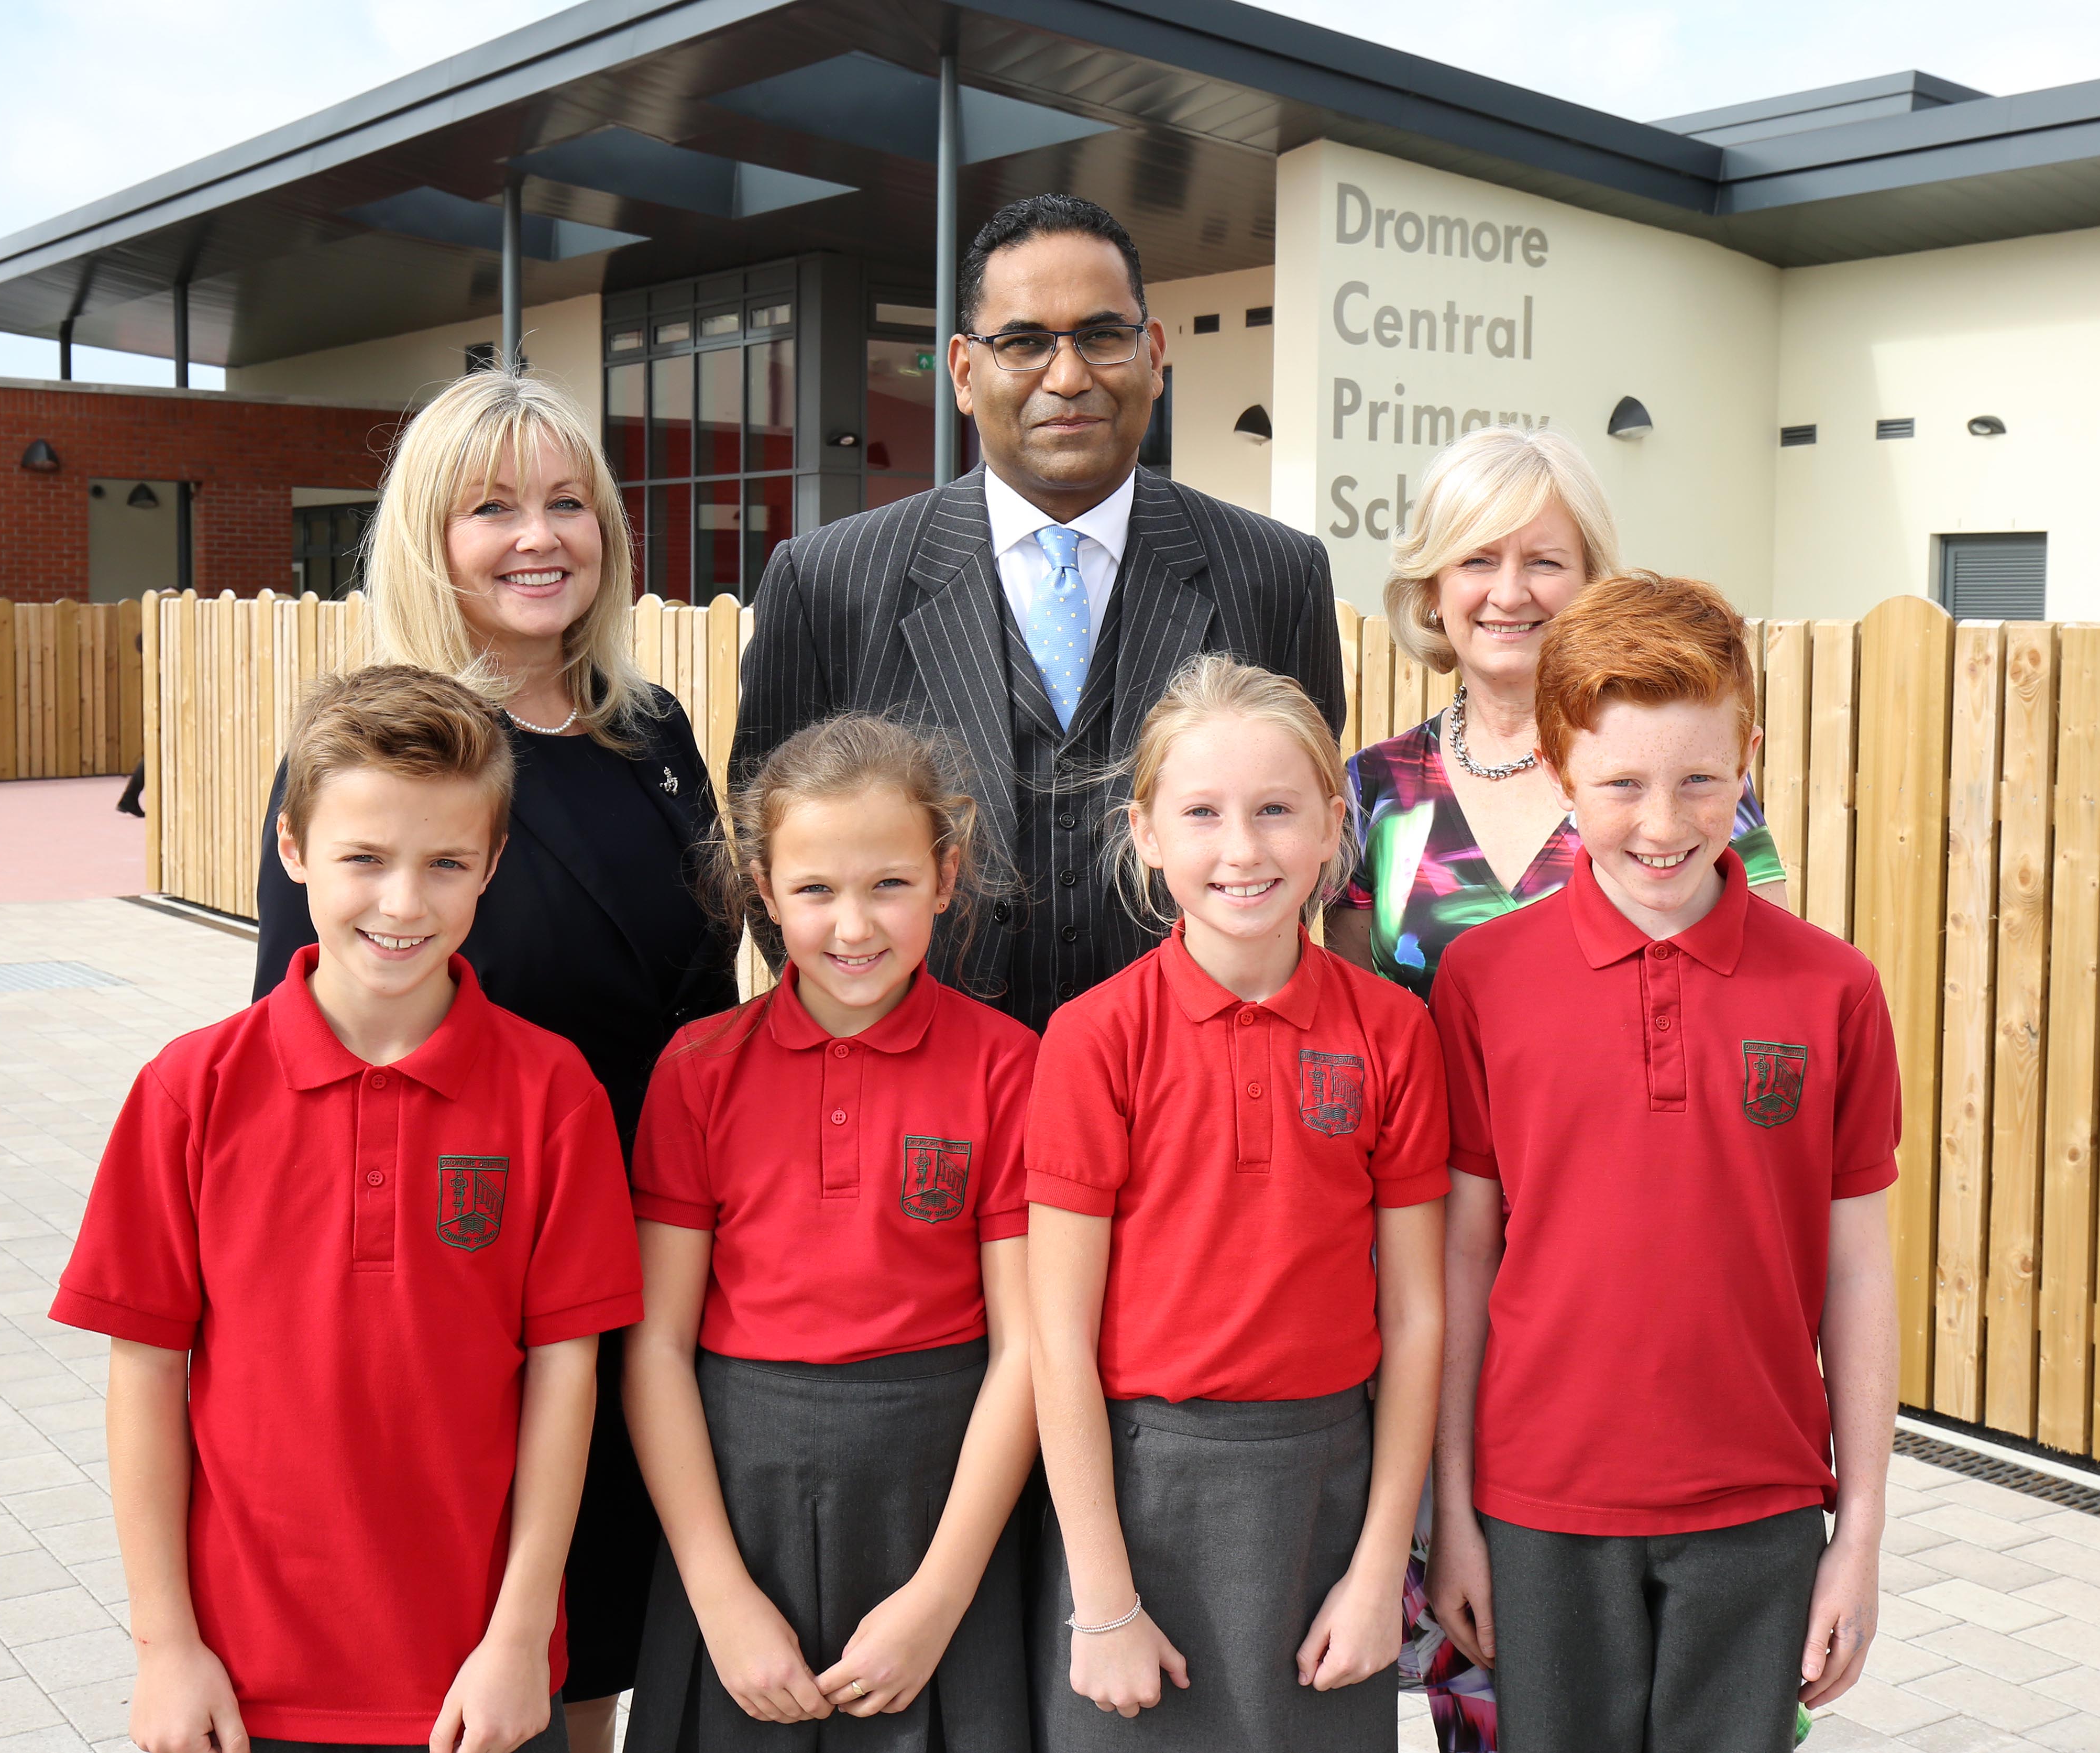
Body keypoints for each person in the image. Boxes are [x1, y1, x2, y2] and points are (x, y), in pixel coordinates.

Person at [252, 370, 734, 1753]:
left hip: (640, 1250)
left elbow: (705, 1003)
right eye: (493, 509)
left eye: (567, 502)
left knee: (592, 1622)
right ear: (429, 534)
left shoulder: (650, 737)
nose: (540, 537)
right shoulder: (372, 747)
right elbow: (298, 1043)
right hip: (453, 1262)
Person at [58, 666, 647, 1753]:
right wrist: (164, 1645)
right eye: (364, 859)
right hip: (245, 1684)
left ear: (493, 866)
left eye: (445, 863)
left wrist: (521, 1632)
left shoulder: (552, 1089)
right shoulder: (190, 1090)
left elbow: (568, 1370)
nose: (403, 902)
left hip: (480, 1680)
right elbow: (143, 1370)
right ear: (293, 850)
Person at [1425, 574, 1899, 1753]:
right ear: (1554, 764)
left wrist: (1862, 1536)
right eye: (1622, 784)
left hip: (1761, 1504)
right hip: (1540, 1506)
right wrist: (1457, 1517)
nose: (1663, 822)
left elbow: (1858, 1274)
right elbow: (1462, 1258)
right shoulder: (1483, 981)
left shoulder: (1833, 990)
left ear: (1746, 752)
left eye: (1700, 779)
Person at [733, 193, 1345, 1032]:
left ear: (1154, 354)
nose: (1067, 376)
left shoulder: (1276, 573)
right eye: (1022, 342)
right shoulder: (829, 581)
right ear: (961, 371)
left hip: (1185, 1104)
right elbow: (770, 854)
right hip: (929, 1108)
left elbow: (1301, 847)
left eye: (1101, 336)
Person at [1026, 654, 1447, 1751]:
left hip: (1323, 1491)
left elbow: (1415, 1318)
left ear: (1329, 828)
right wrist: (1104, 1597)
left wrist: (1377, 1574)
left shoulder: (1393, 1033)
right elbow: (1056, 1336)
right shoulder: (1094, 1038)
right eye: (1203, 812)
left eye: (1275, 811)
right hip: (1138, 1494)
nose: (1243, 849)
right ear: (1149, 832)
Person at [623, 715, 1040, 1751]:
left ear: (947, 875)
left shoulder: (1010, 1066)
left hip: (938, 1488)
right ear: (763, 891)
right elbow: (658, 1345)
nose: (853, 925)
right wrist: (719, 1594)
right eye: (814, 891)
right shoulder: (697, 1068)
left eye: (889, 884)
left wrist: (940, 1596)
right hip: (735, 1492)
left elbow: (1029, 1346)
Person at [1328, 425, 1787, 1001]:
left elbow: (1767, 989)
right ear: (1430, 591)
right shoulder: (1374, 786)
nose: (1511, 592)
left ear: (1591, 584)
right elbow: (1353, 1022)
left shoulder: (1681, 776)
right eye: (1477, 560)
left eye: (1544, 562)